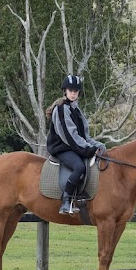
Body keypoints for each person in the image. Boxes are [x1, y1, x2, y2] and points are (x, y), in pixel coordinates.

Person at [46, 74, 106, 215]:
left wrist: (99, 146)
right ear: (65, 91)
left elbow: (84, 136)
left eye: (76, 91)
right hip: (61, 147)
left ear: (79, 93)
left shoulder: (76, 110)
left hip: (73, 146)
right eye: (70, 90)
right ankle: (66, 201)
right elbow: (69, 136)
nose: (73, 93)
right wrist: (88, 150)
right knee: (79, 167)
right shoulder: (61, 109)